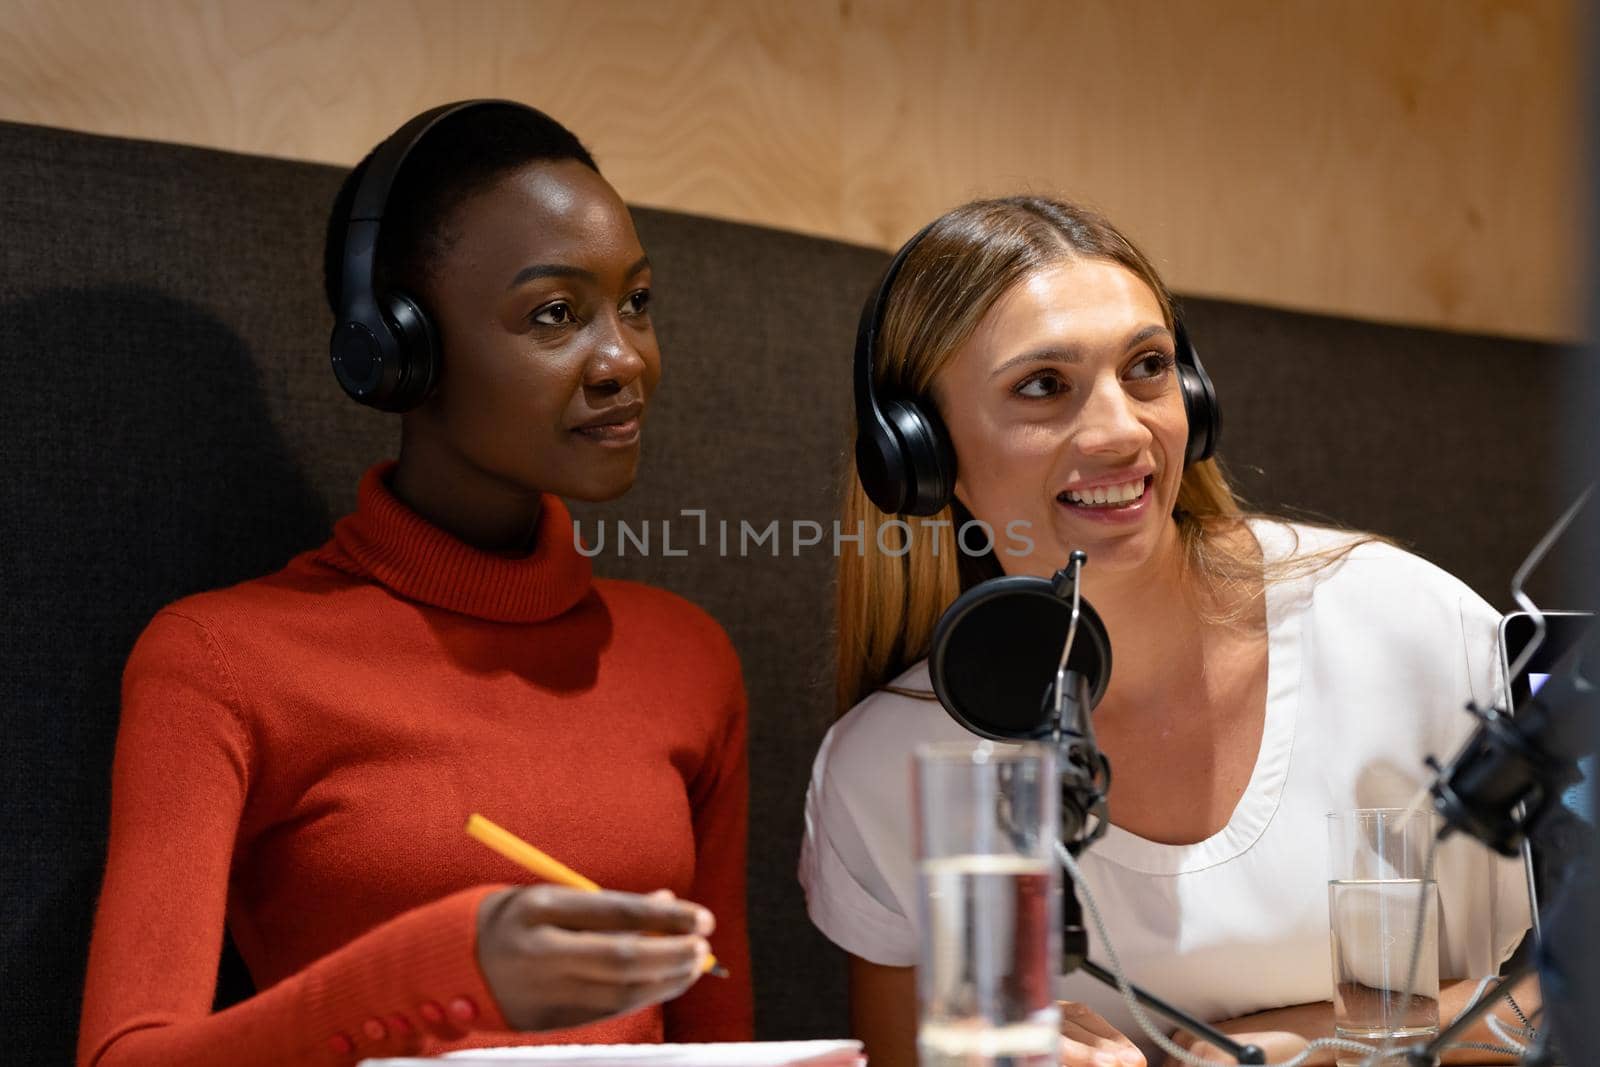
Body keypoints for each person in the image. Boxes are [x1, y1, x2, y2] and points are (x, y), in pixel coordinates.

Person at [78, 101, 751, 1067]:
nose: (624, 360)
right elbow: (124, 1056)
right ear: (397, 349)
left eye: (636, 302)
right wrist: (436, 969)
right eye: (555, 313)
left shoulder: (687, 658)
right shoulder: (220, 661)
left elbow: (719, 1036)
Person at [799, 196, 1533, 1066]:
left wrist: (1310, 1046)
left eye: (1146, 367)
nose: (1120, 429)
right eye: (1044, 386)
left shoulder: (1405, 627)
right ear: (917, 453)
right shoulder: (886, 767)